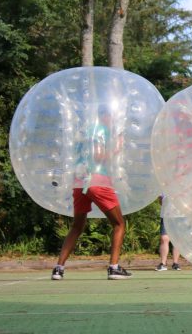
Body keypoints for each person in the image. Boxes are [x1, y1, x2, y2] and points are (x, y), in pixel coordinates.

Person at [51, 107, 132, 280]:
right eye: (111, 116)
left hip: (79, 182)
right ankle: (114, 267)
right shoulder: (102, 130)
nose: (113, 120)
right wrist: (117, 148)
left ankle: (59, 268)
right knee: (119, 224)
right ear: (105, 115)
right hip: (98, 181)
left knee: (77, 226)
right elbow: (99, 157)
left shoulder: (85, 131)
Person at [156, 196, 181, 271]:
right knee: (164, 238)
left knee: (177, 239)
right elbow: (160, 200)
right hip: (166, 215)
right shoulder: (163, 185)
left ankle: (175, 263)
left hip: (180, 215)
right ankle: (163, 263)